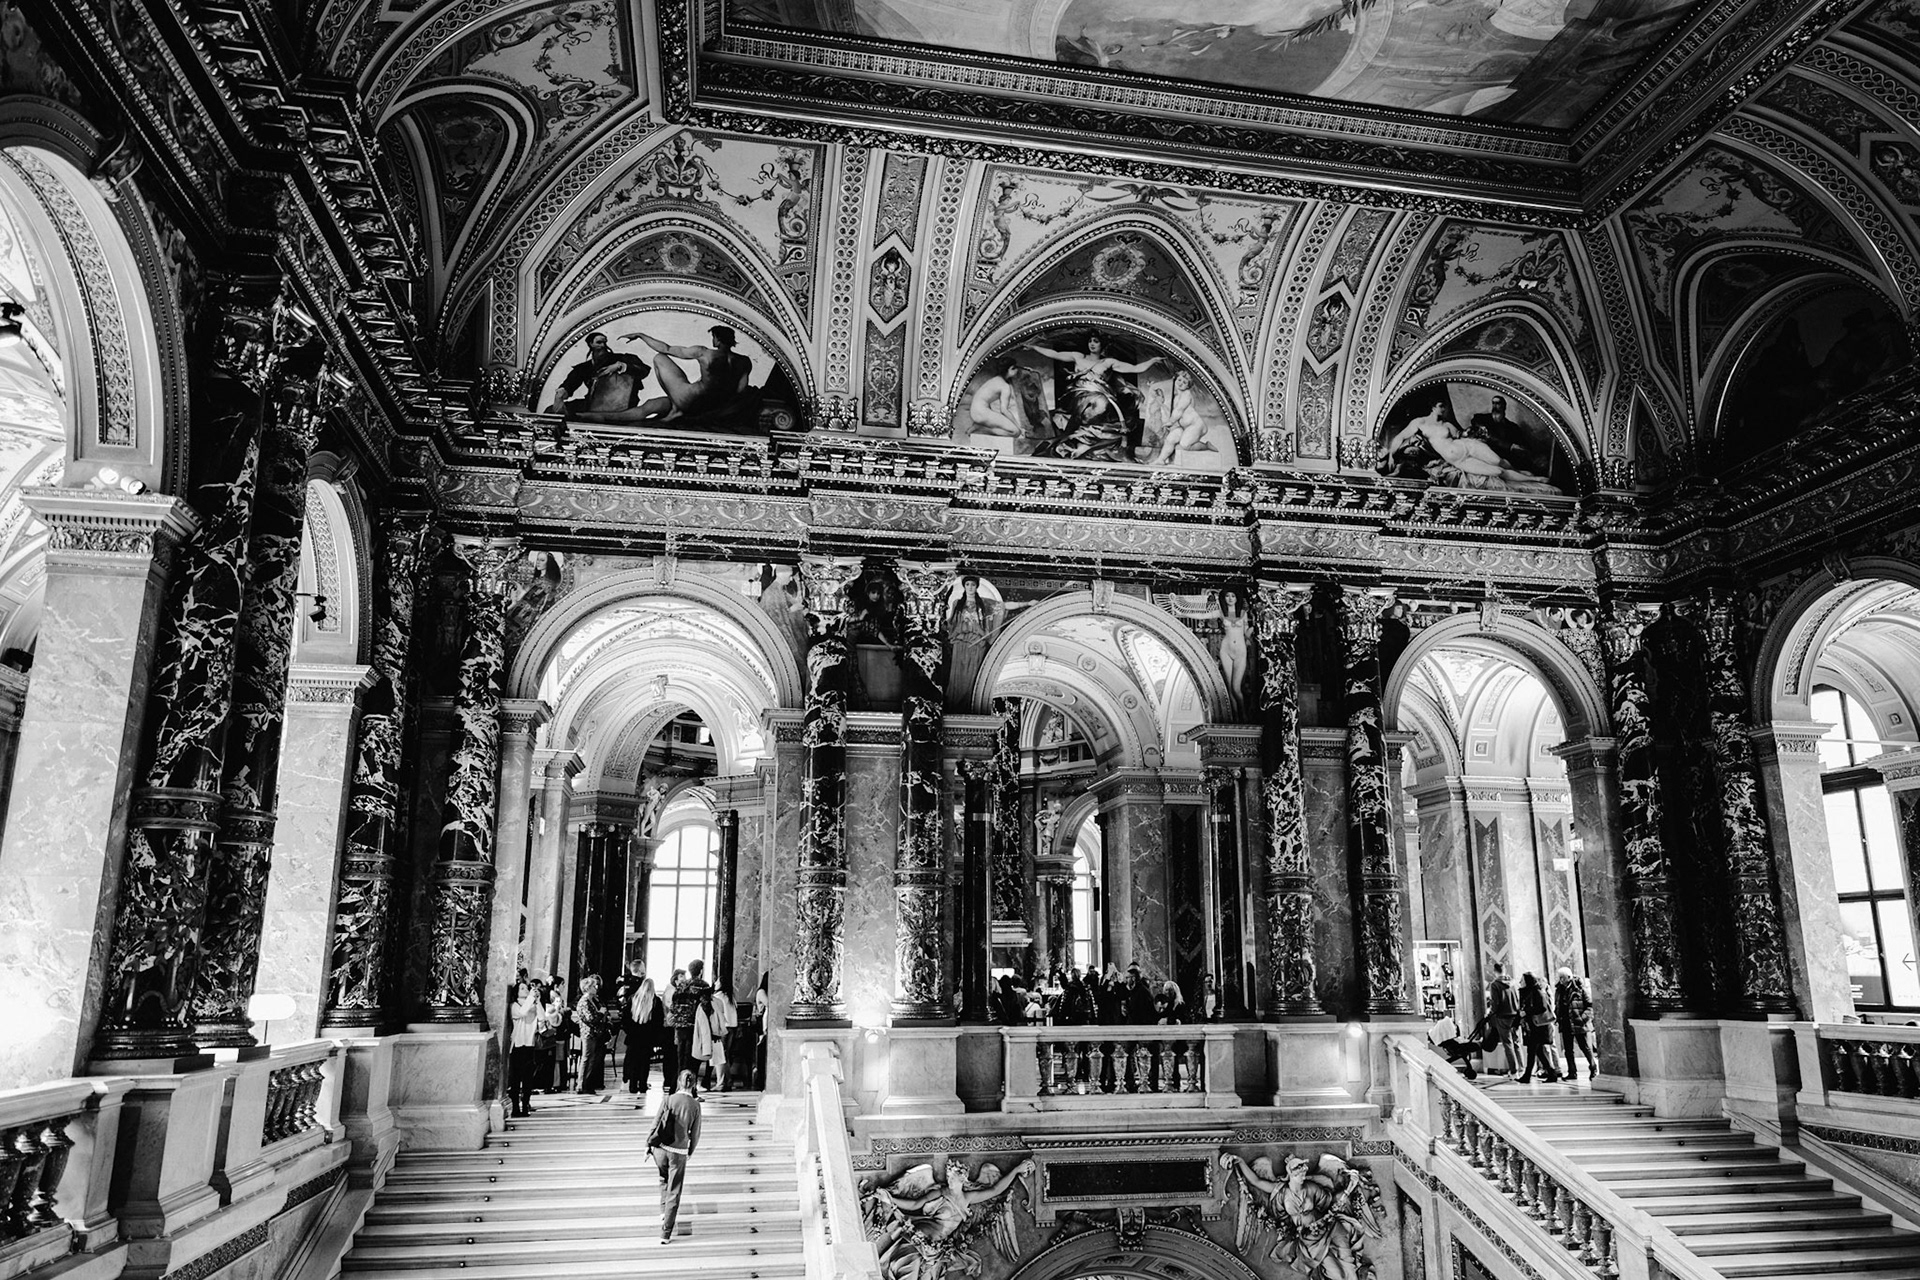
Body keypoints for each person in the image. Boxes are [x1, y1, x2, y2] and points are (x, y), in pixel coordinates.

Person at [616, 327, 754, 424]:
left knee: (660, 357)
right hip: (711, 406)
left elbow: (666, 348)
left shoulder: (705, 353)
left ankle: (676, 409)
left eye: (713, 337)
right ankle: (677, 409)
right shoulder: (744, 361)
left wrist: (641, 335)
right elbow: (740, 390)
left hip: (689, 401)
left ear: (717, 339)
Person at [646, 1070, 704, 1245]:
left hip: (660, 1149)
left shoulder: (668, 1099)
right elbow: (696, 1133)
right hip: (678, 1152)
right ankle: (665, 1233)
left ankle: (663, 1210)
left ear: (678, 1082)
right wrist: (690, 1151)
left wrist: (647, 1145)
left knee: (663, 1178)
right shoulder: (695, 1105)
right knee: (674, 1190)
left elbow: (656, 1123)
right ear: (694, 1084)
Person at [544, 331, 646, 416]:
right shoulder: (583, 368)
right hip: (592, 404)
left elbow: (644, 370)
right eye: (599, 342)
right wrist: (562, 391)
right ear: (590, 344)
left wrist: (620, 366)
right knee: (550, 411)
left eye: (604, 342)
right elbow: (571, 383)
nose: (603, 345)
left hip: (622, 406)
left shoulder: (622, 358)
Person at [669, 960, 714, 1093]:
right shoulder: (703, 986)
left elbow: (673, 1006)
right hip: (695, 1028)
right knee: (693, 1060)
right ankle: (691, 1091)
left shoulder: (682, 985)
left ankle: (676, 1089)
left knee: (681, 1060)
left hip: (680, 1027)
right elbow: (707, 1007)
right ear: (701, 970)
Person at [1554, 967, 1599, 1081]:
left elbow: (1589, 1006)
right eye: (1560, 978)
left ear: (1569, 977)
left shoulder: (1579, 989)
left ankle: (1593, 1068)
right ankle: (1572, 1072)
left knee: (1584, 1047)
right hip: (1565, 1022)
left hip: (1578, 1022)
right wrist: (1557, 1016)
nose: (1561, 980)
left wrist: (1582, 1019)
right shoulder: (1559, 990)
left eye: (1563, 978)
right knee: (1568, 1050)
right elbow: (1558, 1005)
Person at [1517, 972, 1562, 1083]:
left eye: (1522, 980)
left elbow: (1542, 1007)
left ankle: (1527, 1075)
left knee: (1532, 1051)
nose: (1520, 982)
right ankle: (1551, 1073)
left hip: (1539, 1026)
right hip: (1534, 1026)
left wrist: (1526, 1012)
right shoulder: (1528, 992)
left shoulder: (1537, 992)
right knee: (1538, 1051)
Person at [626, 970, 664, 1095]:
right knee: (645, 1062)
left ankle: (632, 1085)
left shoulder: (633, 999)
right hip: (648, 1037)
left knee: (634, 1061)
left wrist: (630, 1031)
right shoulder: (655, 1001)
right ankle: (642, 1085)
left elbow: (626, 1018)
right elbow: (658, 1021)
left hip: (633, 1036)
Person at [575, 974, 614, 1093]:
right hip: (588, 1033)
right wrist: (601, 1013)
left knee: (592, 1059)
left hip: (595, 1033)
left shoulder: (594, 1000)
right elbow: (590, 1018)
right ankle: (581, 1085)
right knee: (587, 1058)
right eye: (593, 986)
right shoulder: (584, 1002)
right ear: (587, 988)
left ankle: (588, 1083)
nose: (596, 988)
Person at [508, 978, 542, 1117]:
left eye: (526, 988)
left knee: (528, 1079)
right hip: (518, 1045)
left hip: (530, 1044)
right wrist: (530, 999)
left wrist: (538, 1001)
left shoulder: (531, 1004)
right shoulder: (514, 1006)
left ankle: (526, 1105)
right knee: (516, 1079)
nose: (526, 989)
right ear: (516, 992)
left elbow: (542, 1017)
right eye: (522, 988)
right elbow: (522, 1013)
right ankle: (515, 1107)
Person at [968, 362, 1026, 436]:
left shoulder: (995, 379)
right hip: (980, 412)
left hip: (975, 410)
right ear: (1011, 368)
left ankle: (979, 426)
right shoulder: (1004, 386)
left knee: (1008, 426)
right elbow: (1004, 410)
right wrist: (1019, 427)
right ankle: (981, 428)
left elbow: (983, 397)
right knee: (1015, 432)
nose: (1017, 371)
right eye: (1016, 369)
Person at [1486, 963, 1523, 1076]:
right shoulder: (1514, 983)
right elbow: (1518, 999)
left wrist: (1491, 1013)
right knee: (1516, 1042)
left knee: (1507, 1044)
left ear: (1495, 971)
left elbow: (1495, 1002)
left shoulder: (1495, 985)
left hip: (1503, 1016)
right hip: (1515, 1016)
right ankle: (1521, 1068)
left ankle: (1513, 1070)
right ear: (1505, 970)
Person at [1426, 1011, 1479, 1080]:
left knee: (1468, 1048)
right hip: (1457, 1047)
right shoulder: (1449, 1041)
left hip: (1455, 1046)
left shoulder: (1448, 1041)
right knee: (1472, 1046)